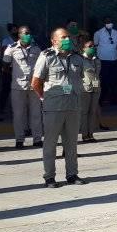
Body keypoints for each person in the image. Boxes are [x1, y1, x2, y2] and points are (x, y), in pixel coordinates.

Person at [31, 27, 87, 188]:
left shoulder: (77, 57)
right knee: (50, 143)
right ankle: (49, 177)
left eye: (68, 37)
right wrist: (44, 97)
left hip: (73, 106)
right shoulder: (46, 56)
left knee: (71, 143)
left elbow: (80, 77)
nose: (67, 40)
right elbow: (36, 82)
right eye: (63, 37)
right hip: (54, 107)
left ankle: (72, 174)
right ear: (54, 41)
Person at [4, 26, 42, 147]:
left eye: (29, 33)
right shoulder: (11, 48)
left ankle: (37, 139)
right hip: (18, 86)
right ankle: (19, 139)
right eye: (25, 33)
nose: (28, 35)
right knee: (19, 114)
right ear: (19, 35)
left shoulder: (36, 49)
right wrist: (15, 75)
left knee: (36, 113)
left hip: (34, 86)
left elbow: (42, 66)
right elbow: (5, 65)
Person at [93, 17, 117, 105]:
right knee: (104, 81)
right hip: (103, 59)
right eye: (107, 21)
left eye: (110, 21)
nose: (109, 23)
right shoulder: (98, 33)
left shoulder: (116, 32)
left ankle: (114, 100)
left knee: (114, 80)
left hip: (114, 59)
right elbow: (95, 44)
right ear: (104, 23)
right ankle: (100, 101)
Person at [78, 37, 101, 142]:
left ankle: (91, 134)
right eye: (89, 46)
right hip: (85, 89)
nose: (92, 48)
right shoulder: (80, 60)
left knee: (93, 112)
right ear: (83, 48)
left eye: (93, 46)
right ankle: (84, 134)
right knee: (84, 112)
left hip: (96, 88)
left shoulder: (97, 60)